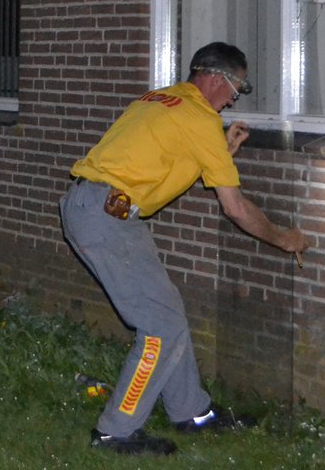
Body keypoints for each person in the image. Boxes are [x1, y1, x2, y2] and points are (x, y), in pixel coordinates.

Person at [62, 42, 310, 457]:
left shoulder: (162, 100)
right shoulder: (198, 118)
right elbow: (235, 207)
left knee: (168, 313)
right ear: (217, 79)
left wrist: (222, 150)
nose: (234, 98)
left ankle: (192, 411)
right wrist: (284, 238)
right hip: (108, 216)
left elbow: (170, 158)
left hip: (98, 207)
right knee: (159, 325)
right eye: (237, 88)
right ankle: (115, 432)